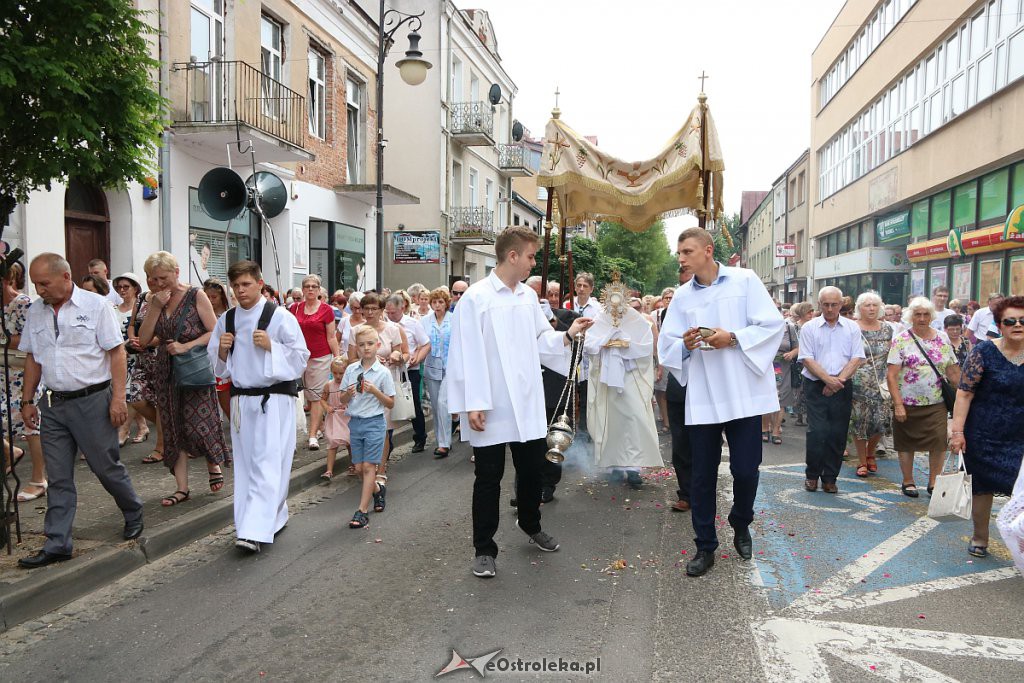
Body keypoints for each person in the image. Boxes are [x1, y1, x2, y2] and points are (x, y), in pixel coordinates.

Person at [447, 227, 593, 578]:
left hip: (526, 400)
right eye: (530, 256)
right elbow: (464, 353)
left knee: (530, 470)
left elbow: (542, 338)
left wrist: (567, 335)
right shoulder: (477, 298)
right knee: (488, 477)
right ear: (512, 256)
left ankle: (530, 524)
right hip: (491, 403)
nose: (532, 264)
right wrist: (473, 402)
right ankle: (484, 548)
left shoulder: (528, 298)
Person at [659, 227, 784, 577]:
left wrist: (734, 338)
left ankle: (741, 521)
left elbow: (772, 325)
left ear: (708, 250)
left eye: (687, 251)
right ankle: (705, 545)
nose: (681, 258)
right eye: (679, 252)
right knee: (701, 475)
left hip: (743, 392)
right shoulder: (682, 296)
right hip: (705, 394)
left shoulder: (744, 281)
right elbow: (666, 345)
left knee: (746, 469)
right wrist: (684, 344)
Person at [17, 254, 143, 568]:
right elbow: (33, 357)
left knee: (105, 467)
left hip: (92, 401)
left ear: (65, 277)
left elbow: (116, 353)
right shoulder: (36, 311)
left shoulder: (96, 306)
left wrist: (118, 400)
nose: (39, 289)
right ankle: (58, 542)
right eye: (35, 283)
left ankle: (132, 510)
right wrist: (27, 399)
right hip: (53, 404)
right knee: (58, 476)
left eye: (44, 282)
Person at [209, 260, 310, 553]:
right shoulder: (226, 320)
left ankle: (254, 530)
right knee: (247, 465)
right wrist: (222, 351)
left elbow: (300, 357)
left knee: (268, 462)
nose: (240, 291)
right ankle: (267, 518)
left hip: (274, 399)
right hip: (242, 401)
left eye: (246, 284)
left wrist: (271, 347)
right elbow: (216, 368)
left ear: (260, 283)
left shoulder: (279, 317)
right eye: (236, 286)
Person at [137, 251, 228, 507]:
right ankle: (182, 488)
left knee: (200, 422)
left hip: (194, 368)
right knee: (173, 426)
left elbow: (214, 331)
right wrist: (154, 306)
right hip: (166, 372)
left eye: (162, 278)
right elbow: (143, 340)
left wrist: (187, 346)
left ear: (176, 272)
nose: (157, 284)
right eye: (151, 279)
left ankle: (214, 465)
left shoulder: (195, 295)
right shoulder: (153, 300)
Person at [950, 296, 1024, 558]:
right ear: (999, 325)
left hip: (1021, 436)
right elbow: (964, 393)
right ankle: (980, 537)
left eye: (1023, 320)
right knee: (982, 487)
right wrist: (957, 432)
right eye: (1011, 321)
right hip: (983, 434)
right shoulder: (982, 351)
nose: (1018, 325)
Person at [584, 276, 661, 490]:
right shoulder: (599, 318)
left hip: (630, 376)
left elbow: (645, 346)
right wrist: (606, 340)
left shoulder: (635, 318)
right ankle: (614, 464)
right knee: (612, 421)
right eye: (611, 300)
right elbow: (589, 344)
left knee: (634, 419)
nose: (615, 306)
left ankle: (634, 467)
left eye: (619, 300)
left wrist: (624, 343)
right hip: (607, 377)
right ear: (606, 299)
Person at [886, 296, 961, 498]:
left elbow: (952, 371)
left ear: (931, 316)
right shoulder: (901, 339)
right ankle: (908, 481)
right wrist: (898, 404)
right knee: (906, 442)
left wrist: (966, 393)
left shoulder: (942, 338)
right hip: (907, 402)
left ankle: (933, 481)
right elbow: (891, 375)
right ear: (911, 316)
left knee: (938, 442)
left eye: (925, 314)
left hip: (936, 402)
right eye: (917, 314)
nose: (921, 318)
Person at [798, 286, 865, 494]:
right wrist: (828, 381)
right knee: (817, 432)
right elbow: (807, 358)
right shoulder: (809, 328)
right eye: (825, 304)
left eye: (834, 304)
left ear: (840, 305)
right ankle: (812, 475)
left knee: (838, 432)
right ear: (819, 305)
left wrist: (838, 382)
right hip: (816, 384)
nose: (829, 309)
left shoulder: (852, 327)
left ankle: (830, 478)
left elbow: (857, 358)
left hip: (842, 384)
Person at [347, 293, 408, 485]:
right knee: (364, 426)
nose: (370, 312)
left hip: (385, 379)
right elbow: (350, 359)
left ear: (382, 310)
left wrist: (396, 356)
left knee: (384, 428)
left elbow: (402, 352)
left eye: (374, 308)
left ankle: (380, 469)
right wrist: (367, 359)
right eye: (366, 308)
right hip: (363, 384)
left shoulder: (392, 329)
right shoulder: (355, 330)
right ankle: (366, 466)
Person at [338, 326, 395, 528]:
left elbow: (390, 402)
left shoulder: (383, 373)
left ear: (378, 345)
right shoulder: (351, 370)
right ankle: (378, 491)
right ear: (357, 349)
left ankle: (362, 511)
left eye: (370, 344)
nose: (366, 348)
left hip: (374, 422)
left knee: (370, 466)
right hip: (356, 422)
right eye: (361, 345)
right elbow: (341, 398)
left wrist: (374, 391)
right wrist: (348, 394)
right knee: (360, 468)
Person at [1, 262, 46, 502]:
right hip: (1, 372)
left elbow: (32, 339)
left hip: (22, 372)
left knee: (30, 424)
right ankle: (11, 452)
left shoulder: (24, 304)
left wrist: (4, 340)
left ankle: (39, 479)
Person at [290, 274, 339, 451]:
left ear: (319, 290)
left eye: (314, 286)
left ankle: (312, 436)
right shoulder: (294, 308)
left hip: (320, 357)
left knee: (316, 396)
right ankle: (306, 431)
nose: (310, 289)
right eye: (307, 286)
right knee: (300, 396)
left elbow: (332, 336)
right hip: (298, 357)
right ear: (302, 290)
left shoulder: (326, 310)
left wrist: (337, 357)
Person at [850, 292, 893, 478]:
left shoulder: (888, 329)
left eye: (875, 305)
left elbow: (894, 355)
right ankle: (861, 461)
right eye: (867, 305)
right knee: (859, 422)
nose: (871, 308)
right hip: (857, 383)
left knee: (880, 422)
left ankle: (871, 453)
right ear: (859, 308)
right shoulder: (852, 328)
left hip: (881, 384)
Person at [385, 293, 430, 452]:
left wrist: (417, 359)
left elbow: (425, 344)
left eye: (393, 313)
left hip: (410, 371)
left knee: (413, 404)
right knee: (387, 407)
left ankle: (420, 437)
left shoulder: (412, 324)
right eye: (388, 312)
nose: (390, 316)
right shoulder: (384, 324)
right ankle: (387, 444)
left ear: (402, 307)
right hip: (389, 371)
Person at [665, 272, 694, 512]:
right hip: (680, 386)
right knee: (681, 443)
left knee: (706, 443)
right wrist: (683, 344)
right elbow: (665, 346)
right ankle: (685, 492)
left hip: (709, 385)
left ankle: (702, 488)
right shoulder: (673, 309)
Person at [113, 272, 150, 447]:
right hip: (120, 356)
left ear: (135, 288)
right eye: (119, 287)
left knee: (131, 393)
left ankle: (124, 430)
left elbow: (140, 328)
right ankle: (142, 427)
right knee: (130, 393)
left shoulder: (142, 307)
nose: (122, 290)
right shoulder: (114, 309)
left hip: (136, 353)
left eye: (126, 287)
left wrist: (131, 343)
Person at [763, 306, 802, 445]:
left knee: (782, 399)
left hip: (783, 367)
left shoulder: (789, 328)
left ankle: (776, 430)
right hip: (767, 367)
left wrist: (792, 353)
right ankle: (764, 428)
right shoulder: (763, 328)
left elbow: (798, 347)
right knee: (768, 397)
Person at [423, 287, 453, 458]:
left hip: (450, 367)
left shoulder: (453, 319)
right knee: (436, 406)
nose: (437, 305)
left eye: (440, 302)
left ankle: (444, 444)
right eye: (434, 302)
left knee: (443, 403)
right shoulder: (425, 321)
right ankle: (442, 438)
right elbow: (421, 342)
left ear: (446, 303)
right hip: (432, 366)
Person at [204, 277, 233, 419]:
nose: (210, 300)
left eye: (213, 297)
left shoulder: (230, 314)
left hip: (225, 362)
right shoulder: (200, 314)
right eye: (207, 297)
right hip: (205, 362)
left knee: (227, 403)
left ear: (222, 296)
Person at [319, 355, 351, 480]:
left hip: (346, 416)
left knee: (350, 442)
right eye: (335, 373)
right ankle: (329, 470)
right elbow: (322, 399)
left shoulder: (348, 385)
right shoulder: (329, 385)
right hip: (334, 417)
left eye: (341, 373)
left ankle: (353, 464)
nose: (338, 376)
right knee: (332, 443)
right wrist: (327, 407)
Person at [788, 301, 815, 426]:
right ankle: (799, 416)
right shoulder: (794, 327)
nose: (811, 314)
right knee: (798, 389)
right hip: (797, 361)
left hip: (812, 361)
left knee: (808, 389)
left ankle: (810, 416)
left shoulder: (814, 326)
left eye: (812, 311)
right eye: (808, 311)